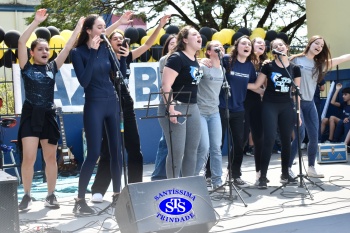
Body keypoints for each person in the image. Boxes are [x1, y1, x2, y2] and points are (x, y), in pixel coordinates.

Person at [90, 15, 171, 203]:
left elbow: (148, 45)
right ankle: (99, 189)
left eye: (121, 38)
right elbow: (99, 37)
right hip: (107, 107)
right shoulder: (102, 57)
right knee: (109, 151)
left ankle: (135, 187)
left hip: (127, 107)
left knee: (134, 149)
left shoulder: (128, 57)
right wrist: (113, 28)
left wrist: (159, 26)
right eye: (115, 38)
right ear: (108, 42)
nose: (120, 40)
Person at [17, 9, 84, 210]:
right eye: (40, 49)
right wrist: (36, 22)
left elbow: (68, 45)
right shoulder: (26, 67)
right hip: (31, 115)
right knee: (29, 158)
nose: (45, 52)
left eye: (47, 49)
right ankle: (27, 195)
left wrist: (79, 28)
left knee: (50, 158)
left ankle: (51, 195)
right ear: (32, 52)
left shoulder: (53, 67)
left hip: (48, 115)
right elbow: (21, 42)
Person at [71, 12, 132, 214]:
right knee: (95, 152)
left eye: (104, 27)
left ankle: (117, 196)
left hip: (112, 102)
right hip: (94, 104)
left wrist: (122, 58)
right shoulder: (78, 53)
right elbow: (84, 81)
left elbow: (120, 75)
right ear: (88, 30)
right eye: (99, 27)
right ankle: (80, 200)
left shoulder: (106, 48)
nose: (103, 30)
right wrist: (94, 53)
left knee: (116, 151)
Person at [288, 35, 350, 179]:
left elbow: (341, 58)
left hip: (309, 103)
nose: (319, 47)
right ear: (310, 44)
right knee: (300, 134)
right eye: (316, 43)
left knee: (315, 136)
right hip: (295, 101)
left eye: (321, 46)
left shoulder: (319, 64)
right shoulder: (295, 60)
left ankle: (311, 167)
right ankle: (288, 168)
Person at [248, 38, 301, 189]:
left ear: (286, 48)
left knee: (286, 140)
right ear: (273, 51)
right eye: (275, 46)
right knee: (269, 139)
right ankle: (262, 177)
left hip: (287, 106)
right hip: (270, 105)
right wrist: (238, 83)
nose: (279, 47)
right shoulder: (268, 66)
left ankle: (285, 173)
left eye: (281, 45)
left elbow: (297, 92)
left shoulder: (295, 68)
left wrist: (298, 113)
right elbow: (257, 85)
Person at [158, 26, 203, 179]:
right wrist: (171, 110)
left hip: (193, 107)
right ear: (184, 40)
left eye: (199, 34)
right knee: (177, 152)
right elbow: (166, 85)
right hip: (175, 106)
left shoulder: (195, 60)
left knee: (192, 150)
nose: (199, 36)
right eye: (194, 34)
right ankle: (173, 186)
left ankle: (188, 186)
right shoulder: (176, 57)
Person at [218, 35, 258, 188]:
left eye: (249, 44)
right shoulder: (227, 59)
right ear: (237, 46)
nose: (247, 46)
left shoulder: (249, 67)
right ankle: (210, 176)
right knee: (218, 143)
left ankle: (235, 174)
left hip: (239, 109)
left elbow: (252, 85)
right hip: (221, 107)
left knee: (239, 143)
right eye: (243, 43)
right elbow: (213, 66)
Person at [194, 40, 224, 190]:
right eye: (216, 48)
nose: (220, 49)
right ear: (208, 52)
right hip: (200, 111)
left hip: (214, 112)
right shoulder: (203, 67)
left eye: (222, 47)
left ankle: (217, 181)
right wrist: (200, 60)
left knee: (216, 148)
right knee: (204, 148)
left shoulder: (222, 69)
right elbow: (192, 71)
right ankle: (193, 179)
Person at [151, 34, 177, 181]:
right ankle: (158, 175)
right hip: (167, 101)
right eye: (171, 43)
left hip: (183, 103)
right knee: (165, 141)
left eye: (176, 43)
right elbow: (166, 84)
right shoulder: (164, 60)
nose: (173, 45)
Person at [243, 37, 267, 185]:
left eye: (264, 44)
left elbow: (266, 85)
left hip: (259, 105)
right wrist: (261, 91)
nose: (262, 45)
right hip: (243, 103)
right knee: (241, 139)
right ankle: (234, 174)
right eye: (259, 43)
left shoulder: (265, 64)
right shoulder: (244, 62)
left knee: (260, 140)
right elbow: (242, 83)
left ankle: (260, 174)